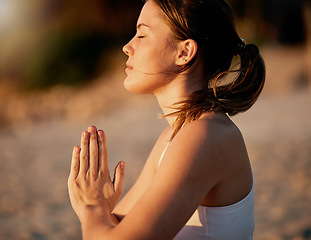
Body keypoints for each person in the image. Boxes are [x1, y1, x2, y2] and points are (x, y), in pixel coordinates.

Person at [67, 0, 265, 239]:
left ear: (184, 52)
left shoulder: (205, 135)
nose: (127, 47)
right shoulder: (176, 135)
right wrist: (99, 208)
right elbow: (114, 227)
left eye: (141, 35)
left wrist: (92, 207)